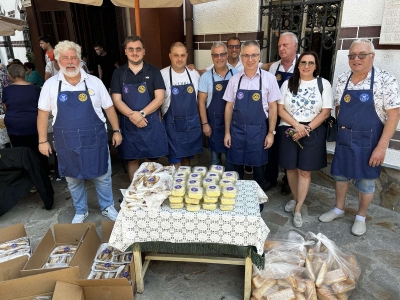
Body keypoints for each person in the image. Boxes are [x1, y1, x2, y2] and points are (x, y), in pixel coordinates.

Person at [319, 39, 400, 236]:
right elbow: (339, 107)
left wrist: (381, 147)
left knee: (366, 181)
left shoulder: (385, 80)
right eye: (352, 55)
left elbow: (394, 114)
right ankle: (338, 209)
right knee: (340, 175)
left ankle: (361, 216)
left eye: (361, 55)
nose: (356, 59)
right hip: (346, 137)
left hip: (369, 141)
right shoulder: (343, 79)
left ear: (371, 56)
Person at [38, 40, 122, 223]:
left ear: (79, 60)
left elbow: (109, 108)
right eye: (65, 58)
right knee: (73, 180)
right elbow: (43, 114)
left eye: (73, 58)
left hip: (95, 139)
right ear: (58, 61)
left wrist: (116, 130)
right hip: (67, 142)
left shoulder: (95, 82)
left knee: (102, 176)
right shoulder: (51, 85)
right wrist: (42, 141)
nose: (69, 62)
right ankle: (81, 211)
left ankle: (107, 206)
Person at [223, 40, 281, 210]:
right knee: (236, 167)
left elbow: (273, 107)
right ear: (241, 57)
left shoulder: (269, 79)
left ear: (259, 56)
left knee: (259, 169)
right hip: (237, 130)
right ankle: (238, 200)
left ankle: (257, 202)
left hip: (259, 131)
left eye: (254, 55)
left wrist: (271, 132)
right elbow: (228, 107)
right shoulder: (235, 80)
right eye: (246, 55)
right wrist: (227, 132)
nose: (250, 59)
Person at [277, 51, 333, 227]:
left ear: (316, 66)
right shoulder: (288, 83)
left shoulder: (323, 84)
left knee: (305, 171)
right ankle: (295, 198)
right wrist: (296, 125)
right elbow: (279, 109)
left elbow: (325, 112)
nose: (306, 66)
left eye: (310, 63)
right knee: (291, 168)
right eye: (303, 63)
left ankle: (298, 208)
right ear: (298, 65)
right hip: (289, 129)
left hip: (312, 130)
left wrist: (306, 128)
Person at [110, 36, 168, 181]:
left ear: (143, 51)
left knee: (151, 160)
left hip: (150, 122)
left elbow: (160, 97)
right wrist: (133, 116)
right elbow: (116, 99)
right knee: (132, 160)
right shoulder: (119, 73)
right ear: (125, 52)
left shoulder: (153, 71)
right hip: (129, 125)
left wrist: (141, 114)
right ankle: (134, 194)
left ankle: (150, 192)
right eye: (131, 49)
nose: (134, 53)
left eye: (138, 49)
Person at [265, 32, 299, 196]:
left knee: (289, 149)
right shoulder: (274, 67)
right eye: (279, 45)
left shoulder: (302, 64)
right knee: (272, 148)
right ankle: (271, 178)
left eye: (285, 45)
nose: (281, 48)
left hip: (293, 117)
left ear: (295, 46)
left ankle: (287, 181)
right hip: (274, 113)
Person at [2, 64, 49, 175]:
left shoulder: (7, 90)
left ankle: (29, 178)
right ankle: (45, 174)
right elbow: (42, 107)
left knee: (21, 151)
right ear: (25, 74)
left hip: (15, 125)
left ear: (9, 76)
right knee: (39, 148)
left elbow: (5, 108)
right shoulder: (35, 89)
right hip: (34, 123)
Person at [161, 42, 203, 168]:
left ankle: (184, 184)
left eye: (182, 55)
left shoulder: (194, 74)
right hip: (172, 125)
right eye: (176, 55)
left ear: (187, 56)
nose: (179, 59)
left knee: (187, 157)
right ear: (170, 56)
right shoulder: (161, 74)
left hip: (191, 123)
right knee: (174, 159)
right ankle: (174, 185)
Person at [198, 42, 238, 166]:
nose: (219, 58)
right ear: (212, 57)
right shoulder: (205, 77)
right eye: (216, 55)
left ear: (227, 55)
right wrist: (205, 124)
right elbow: (201, 102)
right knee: (215, 160)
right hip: (213, 125)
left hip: (233, 123)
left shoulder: (236, 74)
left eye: (222, 54)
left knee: (232, 159)